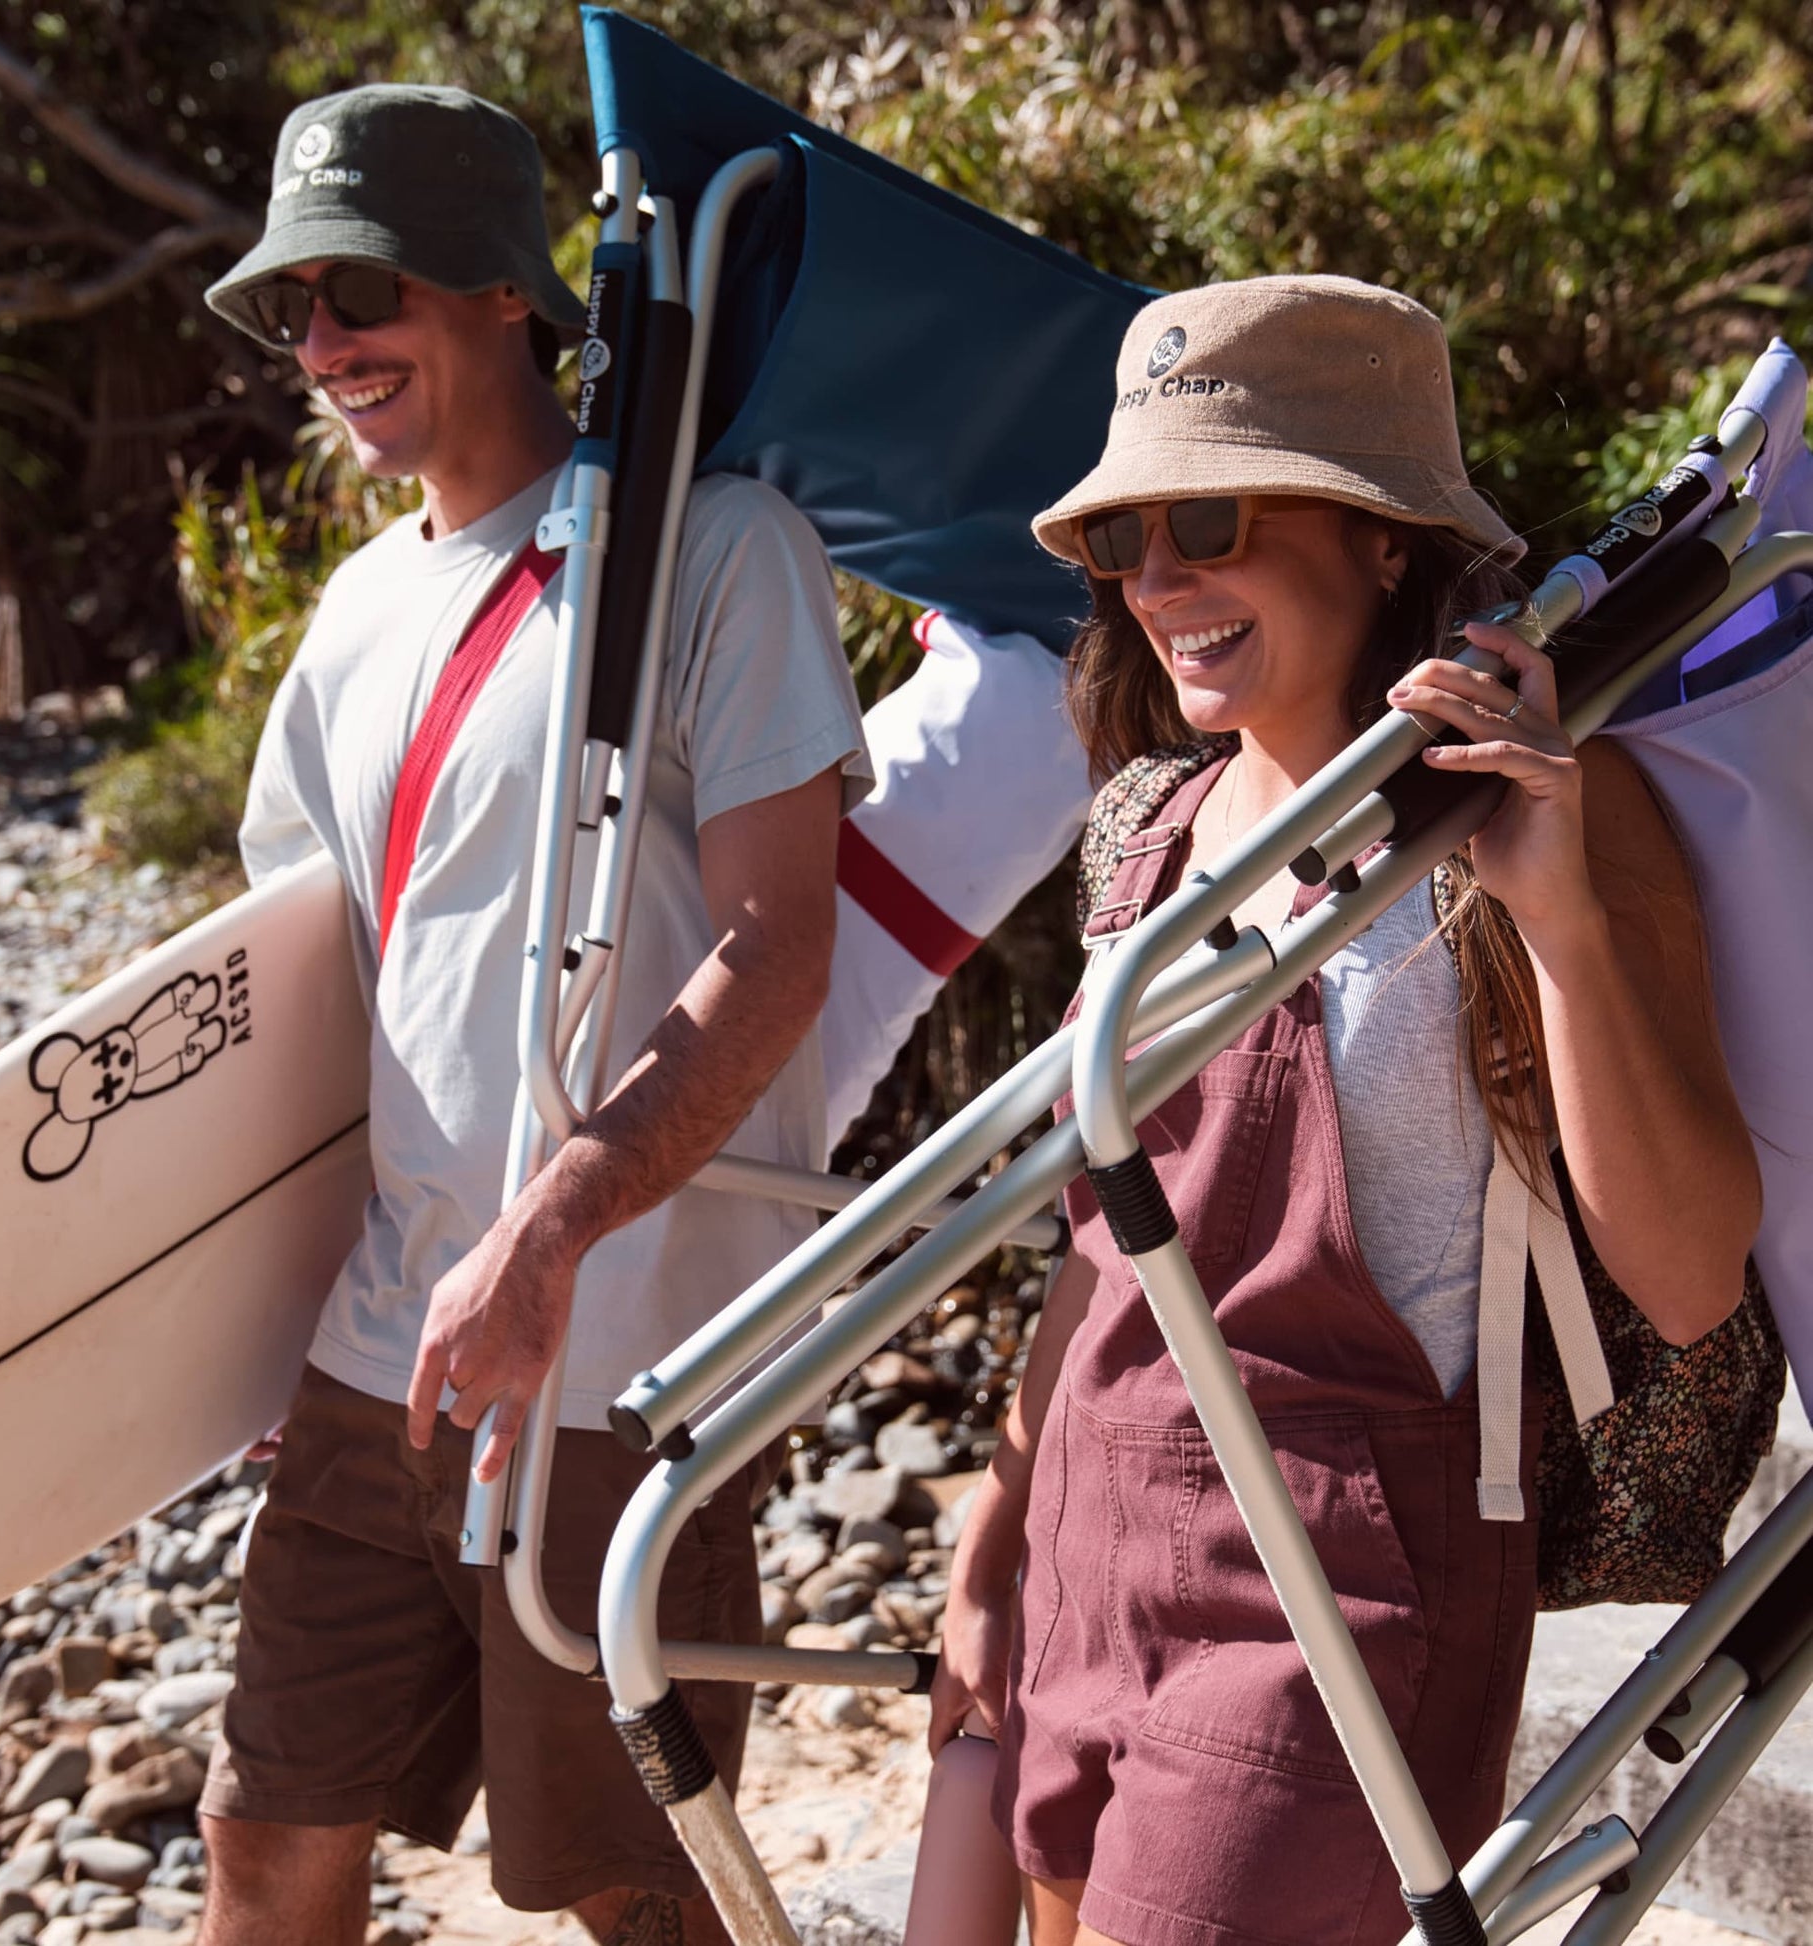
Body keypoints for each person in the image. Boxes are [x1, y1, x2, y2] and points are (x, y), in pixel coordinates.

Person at [930, 275, 1761, 1946]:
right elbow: (1108, 1246)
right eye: (1124, 540)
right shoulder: (1144, 831)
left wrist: (1560, 917)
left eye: (1213, 518)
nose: (1159, 580)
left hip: (1338, 1581)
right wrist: (996, 1525)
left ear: (1383, 539)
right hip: (1094, 1522)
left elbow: (1685, 1273)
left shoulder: (1540, 818)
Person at [197, 86, 870, 1946]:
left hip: (614, 1349)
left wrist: (553, 1229)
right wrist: (245, 1313)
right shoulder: (349, 614)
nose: (325, 344)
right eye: (291, 312)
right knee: (264, 1825)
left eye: (359, 289)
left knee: (629, 1885)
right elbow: (303, 1009)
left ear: (502, 287)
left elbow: (778, 943)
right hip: (374, 1351)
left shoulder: (711, 551)